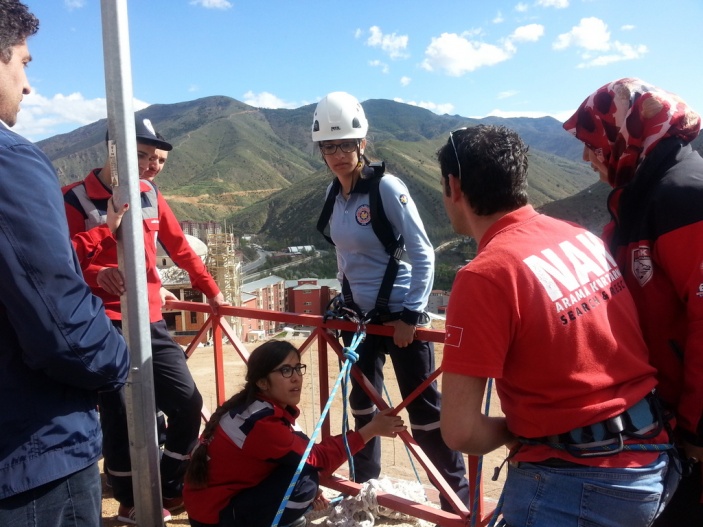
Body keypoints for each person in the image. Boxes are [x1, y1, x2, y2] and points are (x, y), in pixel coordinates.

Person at [437, 124, 680, 526]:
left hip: (574, 484)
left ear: (454, 186)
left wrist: (514, 431)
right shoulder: (580, 237)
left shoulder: (485, 275)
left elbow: (461, 432)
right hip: (652, 458)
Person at [0, 2, 130, 526]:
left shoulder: (149, 198)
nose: (27, 85)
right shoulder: (14, 163)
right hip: (32, 451)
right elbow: (59, 315)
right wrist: (116, 361)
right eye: (23, 62)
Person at [63, 117, 229, 524]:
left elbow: (179, 248)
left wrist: (212, 291)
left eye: (158, 159)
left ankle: (169, 484)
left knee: (188, 402)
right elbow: (60, 260)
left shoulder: (150, 194)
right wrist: (97, 273)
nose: (152, 166)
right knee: (120, 413)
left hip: (150, 317)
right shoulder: (75, 199)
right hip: (103, 319)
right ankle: (128, 497)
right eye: (142, 156)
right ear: (114, 152)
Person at [312, 91, 470, 511]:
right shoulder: (334, 195)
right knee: (364, 410)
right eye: (330, 146)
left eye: (346, 143)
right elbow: (343, 253)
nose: (338, 154)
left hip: (399, 318)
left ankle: (457, 504)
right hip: (358, 320)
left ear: (362, 143)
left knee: (425, 416)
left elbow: (423, 252)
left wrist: (412, 314)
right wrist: (342, 301)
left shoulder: (385, 188)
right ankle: (369, 493)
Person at [563, 77, 703, 525]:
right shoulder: (642, 193)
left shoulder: (683, 196)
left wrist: (699, 426)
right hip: (668, 416)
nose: (587, 156)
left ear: (625, 134)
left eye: (594, 141)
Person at [183, 339, 406, 527]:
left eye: (298, 368)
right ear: (262, 382)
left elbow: (293, 454)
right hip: (216, 517)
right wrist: (371, 430)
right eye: (285, 370)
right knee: (305, 481)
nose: (297, 377)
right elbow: (317, 459)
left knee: (302, 479)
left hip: (208, 508)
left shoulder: (253, 408)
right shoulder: (262, 424)